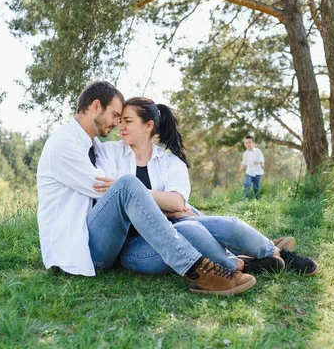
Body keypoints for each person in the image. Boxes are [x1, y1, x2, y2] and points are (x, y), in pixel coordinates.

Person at [36, 81, 256, 296]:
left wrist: (172, 207)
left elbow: (130, 202)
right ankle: (198, 271)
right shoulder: (64, 145)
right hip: (81, 249)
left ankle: (250, 253)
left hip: (101, 238)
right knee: (127, 185)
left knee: (186, 222)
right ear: (95, 106)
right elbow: (111, 193)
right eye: (114, 115)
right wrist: (168, 207)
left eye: (123, 118)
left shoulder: (90, 144)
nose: (116, 123)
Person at [97, 97, 319, 276]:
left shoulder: (171, 162)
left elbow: (176, 202)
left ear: (148, 125)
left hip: (174, 225)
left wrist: (140, 200)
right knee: (192, 230)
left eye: (128, 121)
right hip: (135, 246)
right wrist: (157, 203)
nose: (120, 126)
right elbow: (118, 202)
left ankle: (276, 252)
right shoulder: (109, 153)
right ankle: (240, 264)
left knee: (229, 224)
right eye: (120, 120)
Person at [239, 135, 265, 200]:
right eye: (246, 143)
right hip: (249, 172)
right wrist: (241, 167)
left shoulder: (258, 151)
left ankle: (257, 198)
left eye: (249, 142)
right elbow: (244, 162)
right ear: (244, 144)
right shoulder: (245, 153)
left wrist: (259, 162)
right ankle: (245, 198)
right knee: (246, 184)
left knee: (256, 187)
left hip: (257, 172)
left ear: (253, 143)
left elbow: (262, 159)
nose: (248, 144)